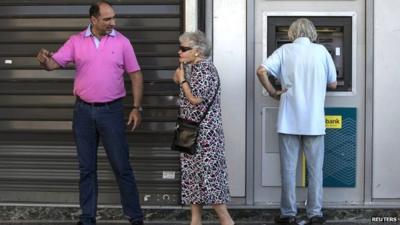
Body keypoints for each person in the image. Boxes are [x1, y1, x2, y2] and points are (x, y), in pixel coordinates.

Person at [36, 1, 144, 225]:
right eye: (107, 19)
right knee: (87, 169)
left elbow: (136, 74)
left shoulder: (122, 42)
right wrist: (44, 61)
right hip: (83, 112)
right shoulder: (76, 41)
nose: (112, 23)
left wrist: (136, 107)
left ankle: (135, 217)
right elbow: (53, 65)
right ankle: (87, 218)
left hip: (112, 111)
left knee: (122, 166)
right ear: (93, 20)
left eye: (113, 18)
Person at [256, 18, 337, 225]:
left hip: (288, 119)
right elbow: (334, 84)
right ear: (313, 33)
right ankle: (315, 214)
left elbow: (261, 70)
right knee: (315, 169)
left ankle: (288, 214)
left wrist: (273, 91)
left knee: (289, 169)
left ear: (291, 33)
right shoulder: (322, 52)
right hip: (314, 121)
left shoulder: (284, 51)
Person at [172, 31, 234, 225]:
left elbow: (195, 99)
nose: (179, 51)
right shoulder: (193, 68)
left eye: (184, 49)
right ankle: (195, 221)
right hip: (190, 132)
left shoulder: (206, 70)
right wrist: (182, 72)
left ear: (197, 51)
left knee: (210, 180)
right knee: (192, 181)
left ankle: (227, 221)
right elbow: (176, 79)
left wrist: (183, 80)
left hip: (206, 137)